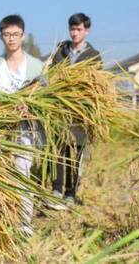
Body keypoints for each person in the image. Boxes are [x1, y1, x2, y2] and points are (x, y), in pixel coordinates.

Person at [0, 14, 44, 236]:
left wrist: (30, 108)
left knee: (22, 174)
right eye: (6, 35)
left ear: (23, 36)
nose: (11, 39)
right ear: (1, 37)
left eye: (15, 34)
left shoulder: (37, 66)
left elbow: (45, 99)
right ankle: (0, 220)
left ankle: (24, 224)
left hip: (26, 130)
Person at [48, 12, 101, 210]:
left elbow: (96, 84)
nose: (75, 33)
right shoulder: (61, 51)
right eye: (72, 29)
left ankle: (71, 192)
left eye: (79, 29)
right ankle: (56, 189)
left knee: (76, 154)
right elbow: (51, 73)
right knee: (58, 151)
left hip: (79, 113)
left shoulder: (93, 56)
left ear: (86, 31)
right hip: (60, 109)